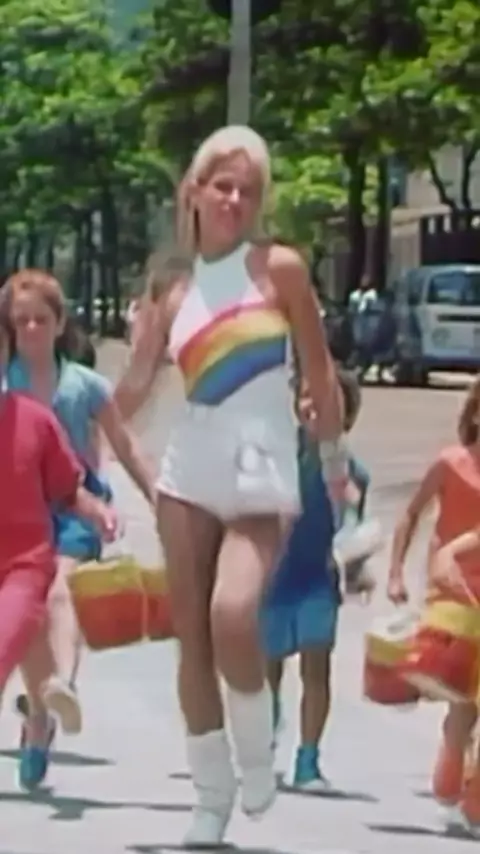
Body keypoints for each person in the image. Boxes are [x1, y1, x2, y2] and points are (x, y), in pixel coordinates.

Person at [114, 125, 343, 847]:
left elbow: (320, 371)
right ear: (195, 190)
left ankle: (255, 755)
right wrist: (85, 429)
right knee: (193, 641)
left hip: (262, 469)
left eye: (248, 190)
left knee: (234, 615)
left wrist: (332, 456)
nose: (235, 200)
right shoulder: (171, 286)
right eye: (223, 186)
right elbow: (136, 388)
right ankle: (210, 801)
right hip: (190, 471)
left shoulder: (281, 270)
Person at [0, 269, 155, 787]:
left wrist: (158, 498)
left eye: (40, 319)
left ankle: (62, 685)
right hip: (20, 511)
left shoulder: (85, 385)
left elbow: (125, 443)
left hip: (74, 506)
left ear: (60, 322)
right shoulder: (6, 381)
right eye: (21, 321)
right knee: (27, 625)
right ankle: (39, 716)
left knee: (59, 589)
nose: (31, 330)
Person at [0, 318, 116, 787]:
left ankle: (49, 704)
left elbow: (68, 489)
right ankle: (40, 720)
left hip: (22, 565)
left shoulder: (34, 419)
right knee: (30, 647)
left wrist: (98, 512)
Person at [264, 368, 371, 791]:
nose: (314, 406)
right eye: (307, 396)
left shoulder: (353, 471)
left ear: (346, 414)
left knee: (316, 668)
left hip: (317, 580)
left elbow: (354, 531)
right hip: (272, 577)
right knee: (267, 668)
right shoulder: (277, 454)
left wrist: (358, 570)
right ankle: (265, 733)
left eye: (326, 399)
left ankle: (308, 760)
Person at [387, 376, 480, 837]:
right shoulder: (450, 463)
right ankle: (453, 786)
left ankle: (471, 802)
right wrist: (396, 573)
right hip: (452, 595)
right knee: (463, 703)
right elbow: (410, 514)